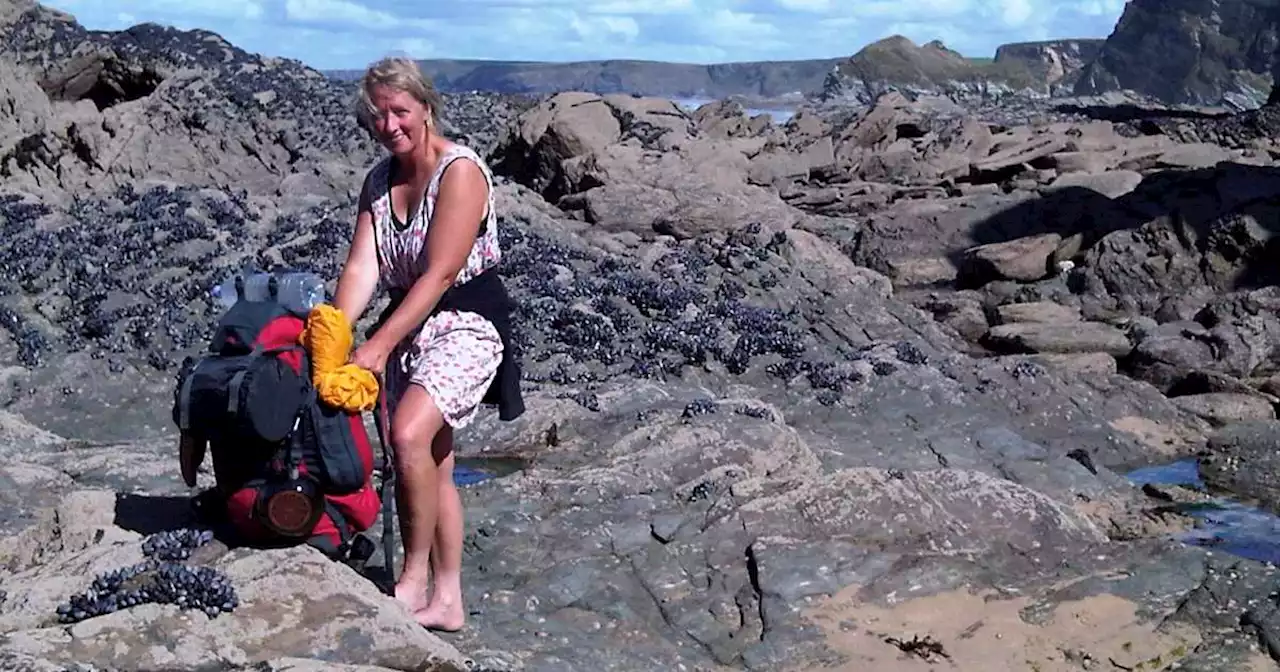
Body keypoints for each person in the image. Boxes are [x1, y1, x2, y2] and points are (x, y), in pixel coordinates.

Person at [333, 56, 524, 632]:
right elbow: (362, 270)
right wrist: (334, 338)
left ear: (425, 108)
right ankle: (448, 601)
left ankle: (412, 578)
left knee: (408, 433)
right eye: (377, 115)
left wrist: (379, 346)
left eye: (399, 111)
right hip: (409, 325)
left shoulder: (459, 171)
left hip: (467, 318)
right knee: (431, 463)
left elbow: (441, 272)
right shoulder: (377, 181)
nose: (389, 125)